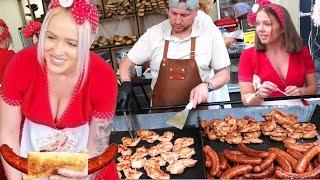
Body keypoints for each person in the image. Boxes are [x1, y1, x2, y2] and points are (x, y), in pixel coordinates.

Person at [0, 0, 119, 180]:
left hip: (85, 167)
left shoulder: (103, 76)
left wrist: (85, 176)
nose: (57, 51)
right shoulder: (20, 64)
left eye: (71, 44)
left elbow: (98, 144)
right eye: (50, 37)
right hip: (25, 164)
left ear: (89, 42)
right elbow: (8, 132)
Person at [118, 0, 231, 110]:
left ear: (196, 11)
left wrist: (208, 86)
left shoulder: (209, 32)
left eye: (184, 15)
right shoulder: (154, 34)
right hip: (160, 118)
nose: (177, 21)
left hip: (198, 118)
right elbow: (126, 63)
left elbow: (224, 74)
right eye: (173, 13)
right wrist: (126, 84)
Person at [238, 0, 317, 106]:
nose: (260, 29)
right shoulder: (248, 55)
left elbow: (313, 88)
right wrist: (258, 94)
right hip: (264, 118)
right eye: (257, 24)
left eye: (267, 24)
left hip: (299, 116)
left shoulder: (301, 51)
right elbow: (245, 99)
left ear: (283, 28)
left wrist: (301, 92)